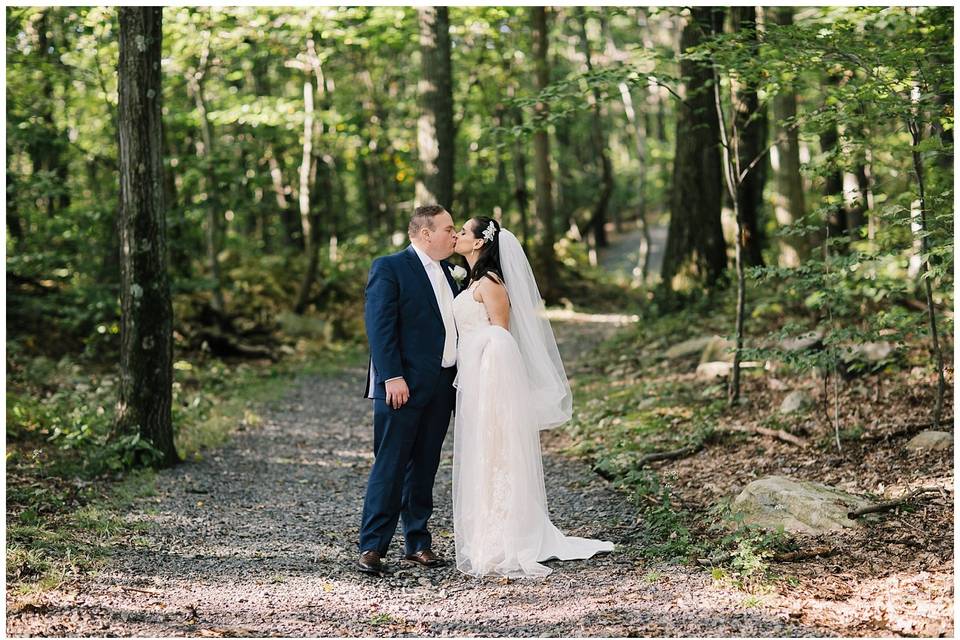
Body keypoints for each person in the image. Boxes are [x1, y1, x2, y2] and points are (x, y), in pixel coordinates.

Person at [450, 216, 614, 577]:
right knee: (484, 453)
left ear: (478, 242)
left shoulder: (491, 283)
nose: (458, 235)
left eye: (463, 231)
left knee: (496, 452)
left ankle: (507, 535)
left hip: (491, 378)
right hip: (477, 378)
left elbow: (501, 337)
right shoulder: (474, 280)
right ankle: (489, 531)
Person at [358, 205, 460, 576]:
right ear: (424, 233)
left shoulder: (453, 272)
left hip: (442, 385)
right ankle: (372, 545)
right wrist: (391, 377)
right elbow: (380, 327)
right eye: (448, 228)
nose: (454, 234)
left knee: (425, 467)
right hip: (402, 385)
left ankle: (418, 543)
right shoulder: (389, 267)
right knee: (391, 464)